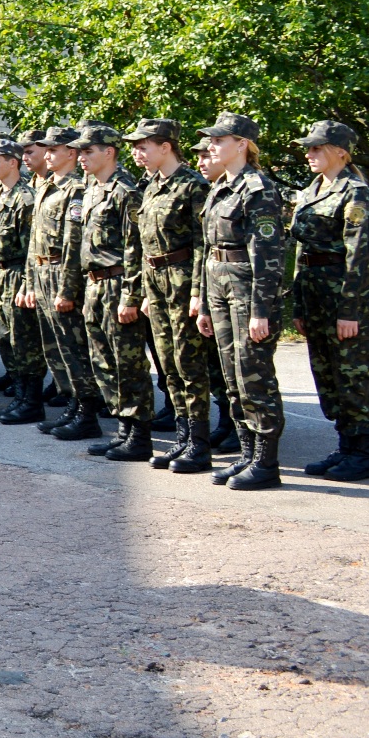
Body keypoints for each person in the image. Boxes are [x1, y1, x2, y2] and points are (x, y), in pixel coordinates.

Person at [196, 113, 287, 490]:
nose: (212, 146)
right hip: (219, 286)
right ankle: (247, 453)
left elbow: (268, 257)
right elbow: (208, 249)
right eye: (211, 140)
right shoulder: (221, 187)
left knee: (254, 376)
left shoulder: (258, 188)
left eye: (220, 140)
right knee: (232, 376)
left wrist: (261, 310)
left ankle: (266, 464)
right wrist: (202, 302)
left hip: (247, 290)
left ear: (242, 145)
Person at [127, 120, 214, 472]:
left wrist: (197, 293)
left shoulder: (192, 185)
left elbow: (202, 245)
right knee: (168, 364)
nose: (137, 152)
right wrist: (145, 290)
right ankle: (182, 438)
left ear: (166, 147)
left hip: (181, 279)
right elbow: (143, 243)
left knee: (189, 363)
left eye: (143, 146)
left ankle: (199, 442)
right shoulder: (150, 186)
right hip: (156, 280)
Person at [288, 121, 369, 482]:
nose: (309, 154)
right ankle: (346, 445)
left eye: (317, 148)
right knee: (327, 375)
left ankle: (363, 451)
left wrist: (349, 311)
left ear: (341, 151)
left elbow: (360, 257)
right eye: (308, 148)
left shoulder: (356, 192)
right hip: (314, 293)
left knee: (353, 375)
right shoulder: (312, 189)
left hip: (343, 296)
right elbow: (302, 250)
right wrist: (299, 306)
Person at [72, 124, 154, 460]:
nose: (82, 157)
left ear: (109, 152)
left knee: (128, 363)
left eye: (88, 151)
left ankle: (140, 435)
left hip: (119, 283)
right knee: (104, 361)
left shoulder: (125, 190)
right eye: (80, 152)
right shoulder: (92, 189)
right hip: (95, 284)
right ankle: (122, 429)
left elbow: (136, 247)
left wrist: (131, 296)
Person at [25, 127, 101, 439]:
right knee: (54, 346)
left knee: (74, 348)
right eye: (46, 149)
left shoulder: (77, 189)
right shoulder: (47, 186)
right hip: (42, 271)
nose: (47, 155)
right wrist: (30, 282)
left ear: (71, 153)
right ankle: (71, 402)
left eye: (53, 150)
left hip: (61, 272)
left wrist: (68, 289)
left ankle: (87, 412)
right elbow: (34, 239)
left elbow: (74, 243)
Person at [0, 136, 46, 424]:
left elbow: (31, 249)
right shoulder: (1, 196)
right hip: (0, 275)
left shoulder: (25, 198)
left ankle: (31, 402)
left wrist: (26, 285)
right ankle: (19, 397)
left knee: (24, 342)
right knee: (6, 341)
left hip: (17, 274)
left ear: (13, 162)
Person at [194, 137, 241, 455]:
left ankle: (241, 429)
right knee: (219, 367)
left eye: (207, 155)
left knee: (239, 367)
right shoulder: (214, 191)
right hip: (213, 287)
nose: (202, 161)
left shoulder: (205, 190)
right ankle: (228, 421)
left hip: (235, 289)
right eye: (198, 156)